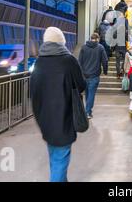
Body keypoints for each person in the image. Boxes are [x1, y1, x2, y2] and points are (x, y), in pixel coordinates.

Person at [30, 27, 86, 182]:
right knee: (60, 159)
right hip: (64, 118)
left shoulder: (39, 62)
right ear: (61, 42)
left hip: (45, 119)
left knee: (55, 156)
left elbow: (33, 90)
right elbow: (81, 85)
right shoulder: (68, 60)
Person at [78, 33, 108, 119]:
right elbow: (105, 60)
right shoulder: (100, 47)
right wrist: (105, 71)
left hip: (84, 75)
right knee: (91, 94)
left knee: (87, 93)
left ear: (91, 38)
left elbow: (79, 61)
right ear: (98, 39)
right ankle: (88, 112)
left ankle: (87, 110)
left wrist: (80, 73)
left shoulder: (83, 47)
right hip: (94, 75)